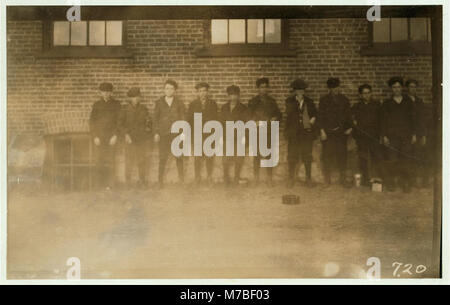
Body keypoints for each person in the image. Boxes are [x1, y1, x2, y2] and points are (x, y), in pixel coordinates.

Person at [380, 76, 417, 193]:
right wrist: (384, 136)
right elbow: (383, 121)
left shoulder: (408, 102)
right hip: (392, 137)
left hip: (406, 136)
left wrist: (414, 134)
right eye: (394, 87)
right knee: (392, 160)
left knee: (406, 160)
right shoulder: (387, 103)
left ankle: (406, 183)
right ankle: (391, 183)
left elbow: (413, 119)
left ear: (402, 88)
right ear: (391, 89)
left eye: (398, 87)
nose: (396, 89)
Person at [317, 77, 353, 187]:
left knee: (342, 155)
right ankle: (327, 180)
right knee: (327, 156)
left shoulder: (344, 100)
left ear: (339, 87)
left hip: (341, 133)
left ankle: (343, 179)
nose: (335, 89)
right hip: (328, 133)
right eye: (332, 88)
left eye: (336, 87)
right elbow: (320, 117)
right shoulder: (323, 100)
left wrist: (349, 127)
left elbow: (348, 115)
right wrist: (322, 131)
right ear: (329, 88)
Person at [248, 77, 282, 186]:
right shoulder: (253, 101)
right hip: (257, 132)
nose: (264, 89)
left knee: (268, 155)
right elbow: (248, 116)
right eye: (262, 87)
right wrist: (254, 122)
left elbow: (279, 114)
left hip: (268, 131)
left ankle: (269, 178)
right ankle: (256, 179)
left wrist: (275, 118)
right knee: (257, 156)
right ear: (258, 88)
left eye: (266, 87)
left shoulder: (272, 101)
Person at [284, 78, 318, 188]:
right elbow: (289, 115)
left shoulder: (309, 102)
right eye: (298, 90)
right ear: (294, 91)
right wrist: (298, 103)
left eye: (302, 90)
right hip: (294, 133)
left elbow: (314, 114)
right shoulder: (289, 101)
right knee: (292, 156)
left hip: (306, 134)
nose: (300, 92)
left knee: (307, 156)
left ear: (304, 91)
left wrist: (313, 119)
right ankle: (290, 178)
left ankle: (308, 178)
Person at [153, 79, 185, 188]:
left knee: (179, 157)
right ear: (164, 90)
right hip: (163, 134)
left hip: (176, 134)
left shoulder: (179, 103)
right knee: (162, 158)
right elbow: (155, 119)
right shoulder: (159, 102)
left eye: (171, 88)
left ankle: (181, 181)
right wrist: (156, 133)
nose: (169, 90)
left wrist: (183, 132)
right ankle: (160, 181)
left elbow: (183, 118)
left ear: (175, 90)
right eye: (167, 88)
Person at [89, 82, 121, 190]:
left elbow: (119, 122)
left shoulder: (116, 105)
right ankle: (99, 184)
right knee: (99, 161)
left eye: (108, 92)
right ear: (100, 92)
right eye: (104, 92)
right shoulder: (96, 105)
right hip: (99, 138)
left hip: (111, 138)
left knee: (111, 161)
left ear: (111, 93)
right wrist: (95, 137)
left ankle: (110, 185)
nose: (106, 94)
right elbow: (92, 122)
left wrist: (115, 135)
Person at [119, 87, 151, 189]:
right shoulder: (124, 109)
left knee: (141, 160)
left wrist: (148, 127)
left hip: (141, 139)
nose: (136, 99)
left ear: (140, 98)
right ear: (130, 98)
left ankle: (141, 181)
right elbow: (120, 125)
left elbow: (148, 122)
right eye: (133, 97)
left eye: (137, 97)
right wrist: (126, 134)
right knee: (129, 160)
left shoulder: (144, 109)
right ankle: (128, 182)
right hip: (129, 139)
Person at [187, 82, 218, 185]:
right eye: (200, 91)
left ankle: (209, 177)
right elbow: (189, 120)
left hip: (209, 135)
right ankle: (197, 177)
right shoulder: (193, 104)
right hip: (197, 135)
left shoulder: (212, 104)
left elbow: (215, 120)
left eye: (204, 90)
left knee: (209, 156)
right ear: (197, 93)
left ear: (207, 92)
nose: (203, 93)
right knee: (197, 157)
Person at [351, 84, 382, 187]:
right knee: (363, 158)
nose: (367, 95)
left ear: (371, 93)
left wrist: (380, 135)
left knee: (376, 158)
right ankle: (365, 179)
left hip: (374, 136)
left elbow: (381, 121)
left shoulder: (377, 105)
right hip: (362, 137)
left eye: (368, 93)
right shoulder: (357, 107)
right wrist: (356, 134)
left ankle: (376, 180)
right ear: (360, 95)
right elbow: (353, 122)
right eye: (364, 93)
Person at [221, 85, 249, 186]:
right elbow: (221, 122)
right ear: (228, 96)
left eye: (235, 95)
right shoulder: (224, 107)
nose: (233, 98)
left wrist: (245, 138)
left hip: (239, 136)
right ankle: (226, 178)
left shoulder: (243, 108)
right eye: (231, 95)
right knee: (226, 158)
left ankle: (236, 177)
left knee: (239, 158)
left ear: (238, 96)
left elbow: (246, 124)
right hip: (227, 136)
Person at [406, 79, 430, 188]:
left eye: (415, 87)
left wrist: (423, 135)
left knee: (419, 156)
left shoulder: (419, 101)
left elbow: (422, 119)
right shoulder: (404, 101)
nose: (413, 89)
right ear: (407, 88)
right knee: (409, 157)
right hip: (409, 134)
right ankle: (410, 181)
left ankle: (420, 181)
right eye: (411, 87)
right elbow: (406, 120)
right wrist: (412, 134)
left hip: (419, 134)